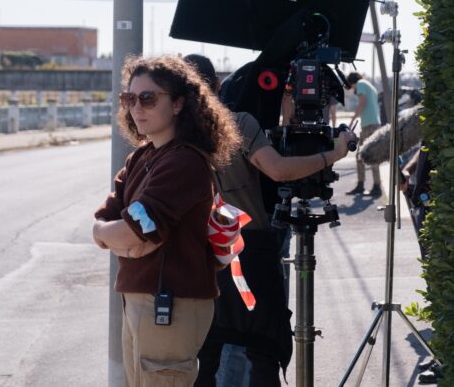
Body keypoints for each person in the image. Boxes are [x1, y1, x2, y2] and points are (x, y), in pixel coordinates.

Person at [184, 54, 356, 387]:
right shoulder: (237, 124)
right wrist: (333, 154)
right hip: (248, 251)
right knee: (262, 346)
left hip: (199, 257)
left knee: (206, 352)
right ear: (217, 86)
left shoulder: (172, 134)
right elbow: (278, 170)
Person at [92, 55, 241, 387]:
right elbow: (106, 218)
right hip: (143, 298)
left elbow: (131, 232)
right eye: (129, 98)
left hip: (170, 303)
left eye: (148, 98)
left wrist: (119, 238)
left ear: (177, 104)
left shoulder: (184, 161)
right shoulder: (141, 157)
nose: (136, 108)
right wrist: (108, 233)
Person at [347, 71, 383, 197]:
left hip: (369, 126)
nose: (353, 90)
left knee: (361, 156)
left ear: (352, 82)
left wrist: (352, 120)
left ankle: (363, 185)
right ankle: (375, 186)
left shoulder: (361, 84)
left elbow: (362, 102)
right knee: (371, 155)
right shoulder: (369, 85)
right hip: (374, 124)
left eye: (351, 87)